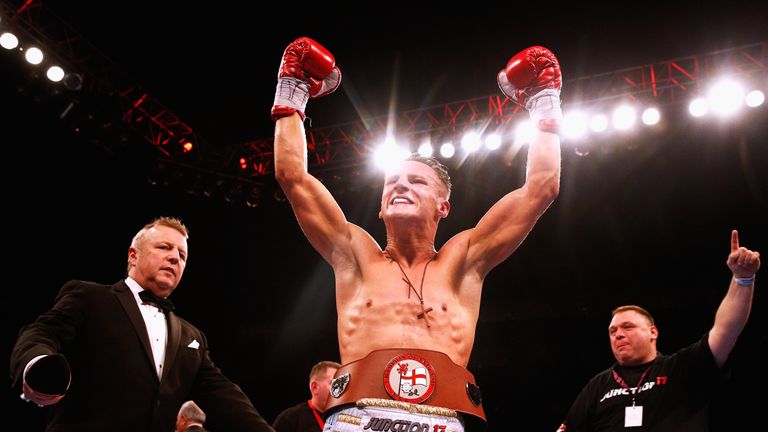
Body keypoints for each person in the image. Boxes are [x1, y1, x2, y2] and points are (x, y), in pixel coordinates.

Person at [272, 37, 563, 431]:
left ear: (444, 206)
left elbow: (541, 188)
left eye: (417, 182)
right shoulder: (355, 253)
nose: (400, 186)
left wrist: (543, 100)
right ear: (380, 206)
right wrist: (292, 91)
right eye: (391, 182)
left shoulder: (464, 259)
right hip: (358, 418)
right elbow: (293, 178)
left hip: (443, 420)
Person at [10, 216, 274, 432]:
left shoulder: (191, 336)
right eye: (164, 247)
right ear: (133, 256)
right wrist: (38, 367)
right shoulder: (91, 298)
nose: (175, 258)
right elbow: (41, 332)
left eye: (182, 255)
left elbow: (225, 397)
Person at [556, 229, 760, 432]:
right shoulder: (598, 385)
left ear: (653, 332)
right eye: (612, 330)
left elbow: (727, 331)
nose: (618, 334)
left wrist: (743, 279)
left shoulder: (681, 368)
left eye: (628, 327)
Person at [272, 360, 342, 432]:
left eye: (342, 385)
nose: (340, 390)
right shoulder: (289, 419)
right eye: (334, 384)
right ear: (314, 387)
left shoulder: (347, 419)